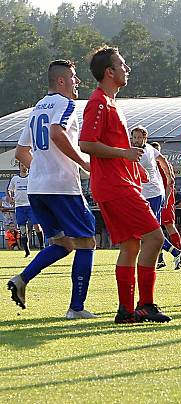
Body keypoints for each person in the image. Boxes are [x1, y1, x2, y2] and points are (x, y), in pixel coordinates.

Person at [79, 46, 171, 324]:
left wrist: (133, 167)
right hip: (114, 186)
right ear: (109, 72)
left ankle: (126, 311)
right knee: (155, 237)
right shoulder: (98, 102)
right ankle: (145, 305)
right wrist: (125, 154)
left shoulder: (109, 102)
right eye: (122, 64)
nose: (126, 68)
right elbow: (86, 144)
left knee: (130, 246)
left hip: (118, 183)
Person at [7, 59, 98, 319]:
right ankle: (76, 308)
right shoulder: (66, 104)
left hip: (38, 188)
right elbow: (57, 132)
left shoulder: (37, 108)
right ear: (61, 81)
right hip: (62, 187)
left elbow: (21, 151)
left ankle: (22, 278)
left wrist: (41, 170)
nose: (77, 82)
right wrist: (83, 163)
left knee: (63, 243)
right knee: (86, 241)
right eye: (74, 77)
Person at [131, 127, 181, 271]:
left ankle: (173, 254)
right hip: (151, 194)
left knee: (151, 231)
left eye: (138, 137)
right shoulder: (149, 148)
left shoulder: (141, 154)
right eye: (134, 137)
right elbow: (162, 159)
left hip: (152, 195)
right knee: (150, 230)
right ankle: (172, 254)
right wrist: (169, 177)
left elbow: (133, 172)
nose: (135, 140)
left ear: (145, 138)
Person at [151, 141, 181, 265]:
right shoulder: (150, 165)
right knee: (155, 229)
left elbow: (171, 183)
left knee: (168, 226)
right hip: (154, 198)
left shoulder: (165, 165)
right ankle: (160, 258)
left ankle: (179, 252)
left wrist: (166, 198)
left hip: (164, 199)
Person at [7, 165, 35, 257]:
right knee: (23, 230)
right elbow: (9, 190)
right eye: (22, 165)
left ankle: (42, 248)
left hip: (31, 205)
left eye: (25, 165)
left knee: (37, 226)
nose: (24, 167)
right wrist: (10, 197)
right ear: (19, 167)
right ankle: (27, 252)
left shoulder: (32, 177)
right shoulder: (15, 178)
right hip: (19, 207)